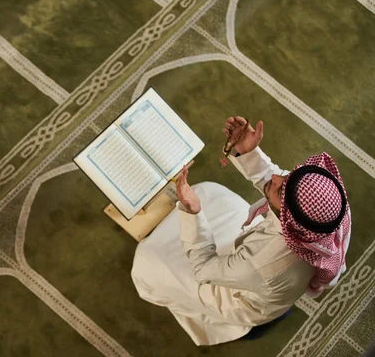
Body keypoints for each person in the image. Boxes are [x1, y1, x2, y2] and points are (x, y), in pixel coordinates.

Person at [130, 117, 352, 346]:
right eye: (288, 177)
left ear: (288, 221)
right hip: (268, 274)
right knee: (209, 192)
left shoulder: (263, 263)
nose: (276, 177)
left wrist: (193, 213)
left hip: (245, 291)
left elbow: (204, 268)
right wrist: (249, 152)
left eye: (280, 187)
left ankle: (246, 328)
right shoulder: (329, 206)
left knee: (147, 261)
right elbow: (279, 185)